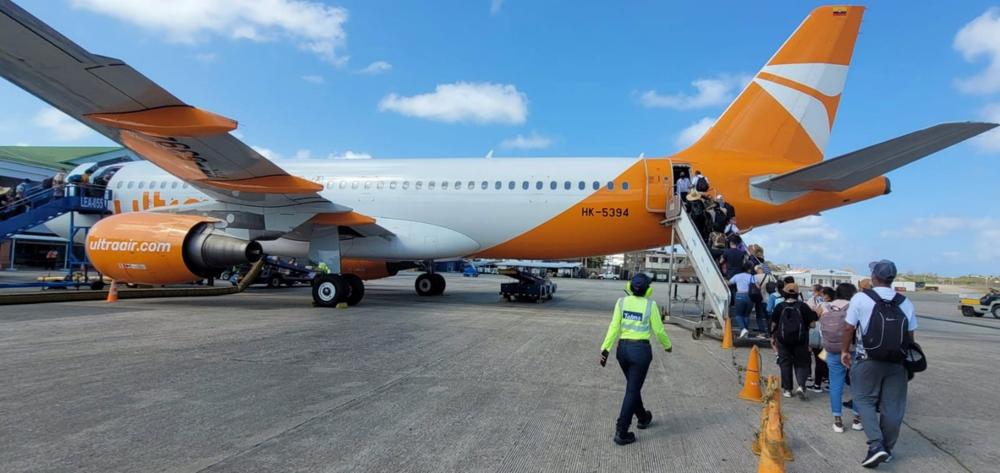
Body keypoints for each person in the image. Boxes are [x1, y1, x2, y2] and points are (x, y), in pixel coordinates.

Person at [842, 260, 918, 468]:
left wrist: (844, 351)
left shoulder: (860, 298)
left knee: (864, 400)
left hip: (867, 360)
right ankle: (888, 448)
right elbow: (910, 337)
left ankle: (876, 445)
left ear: (874, 276)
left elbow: (849, 328)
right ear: (892, 278)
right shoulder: (905, 302)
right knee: (893, 408)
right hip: (896, 363)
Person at [600, 273, 673, 445]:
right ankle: (621, 431)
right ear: (648, 290)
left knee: (633, 386)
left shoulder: (621, 302)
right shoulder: (651, 305)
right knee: (632, 389)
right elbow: (659, 330)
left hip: (623, 351)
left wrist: (605, 349)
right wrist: (667, 345)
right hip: (640, 352)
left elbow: (613, 327)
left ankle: (642, 417)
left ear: (629, 287)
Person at [822, 283, 863, 433]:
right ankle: (857, 419)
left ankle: (837, 421)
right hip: (852, 350)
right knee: (857, 384)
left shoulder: (826, 306)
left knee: (835, 384)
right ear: (852, 294)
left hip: (832, 350)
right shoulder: (855, 306)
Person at [770, 283, 817, 400]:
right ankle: (801, 386)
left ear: (784, 293)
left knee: (785, 363)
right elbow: (812, 324)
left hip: (783, 340)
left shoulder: (780, 306)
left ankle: (787, 389)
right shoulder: (803, 306)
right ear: (797, 294)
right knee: (801, 363)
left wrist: (772, 336)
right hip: (801, 340)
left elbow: (773, 324)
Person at [808, 287, 835, 393]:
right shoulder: (837, 305)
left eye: (822, 295)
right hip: (833, 337)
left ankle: (817, 385)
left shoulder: (823, 305)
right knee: (827, 359)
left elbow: (814, 317)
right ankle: (829, 381)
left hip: (821, 336)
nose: (820, 297)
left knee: (819, 361)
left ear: (827, 296)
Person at [729, 262, 756, 339]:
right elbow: (756, 286)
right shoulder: (752, 277)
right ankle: (745, 333)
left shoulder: (737, 276)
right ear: (749, 269)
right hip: (750, 297)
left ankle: (743, 329)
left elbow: (729, 283)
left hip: (740, 296)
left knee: (738, 315)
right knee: (746, 315)